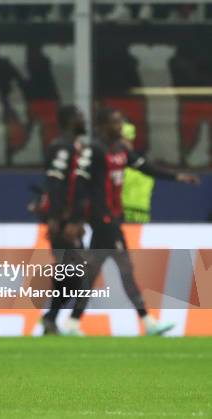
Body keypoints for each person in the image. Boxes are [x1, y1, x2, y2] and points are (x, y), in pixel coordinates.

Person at [63, 108, 200, 336]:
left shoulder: (122, 150)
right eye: (115, 123)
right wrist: (76, 218)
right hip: (102, 218)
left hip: (113, 217)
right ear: (103, 126)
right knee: (125, 268)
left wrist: (178, 177)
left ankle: (73, 322)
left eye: (121, 123)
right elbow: (79, 184)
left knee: (94, 271)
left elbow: (147, 168)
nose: (119, 128)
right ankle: (147, 322)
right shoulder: (95, 150)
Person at [39, 105, 87, 335]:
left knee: (73, 272)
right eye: (79, 117)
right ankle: (55, 319)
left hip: (71, 219)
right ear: (70, 121)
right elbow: (55, 183)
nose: (84, 119)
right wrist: (58, 218)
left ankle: (51, 318)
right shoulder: (62, 147)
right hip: (63, 220)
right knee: (76, 271)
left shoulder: (74, 147)